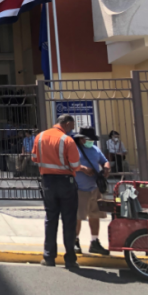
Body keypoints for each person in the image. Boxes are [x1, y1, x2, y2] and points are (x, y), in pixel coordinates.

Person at [32, 114, 91, 269]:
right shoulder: (67, 140)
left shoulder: (40, 136)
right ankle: (70, 259)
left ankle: (48, 257)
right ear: (67, 123)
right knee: (69, 221)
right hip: (66, 182)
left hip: (48, 182)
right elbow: (75, 165)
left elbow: (34, 158)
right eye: (71, 127)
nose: (71, 130)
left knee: (51, 219)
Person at [73, 128, 110, 256]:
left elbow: (105, 161)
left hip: (94, 188)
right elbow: (68, 164)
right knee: (77, 216)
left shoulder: (95, 149)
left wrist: (106, 168)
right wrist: (82, 169)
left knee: (95, 215)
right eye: (89, 140)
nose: (91, 142)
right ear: (82, 139)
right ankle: (74, 241)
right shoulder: (73, 149)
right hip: (79, 189)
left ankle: (94, 241)